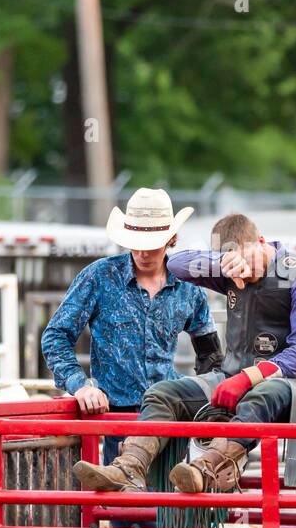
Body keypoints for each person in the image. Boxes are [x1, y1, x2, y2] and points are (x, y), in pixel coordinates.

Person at [72, 212, 296, 498]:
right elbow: (178, 263)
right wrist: (224, 263)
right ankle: (128, 467)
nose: (242, 277)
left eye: (246, 266)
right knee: (162, 394)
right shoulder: (228, 272)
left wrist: (249, 377)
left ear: (261, 242)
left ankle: (205, 469)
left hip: (291, 384)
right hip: (234, 376)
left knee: (264, 394)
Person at [41, 188, 222, 464]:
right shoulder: (99, 276)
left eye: (151, 244)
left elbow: (210, 355)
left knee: (165, 503)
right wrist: (81, 386)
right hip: (115, 417)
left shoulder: (189, 288)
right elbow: (55, 336)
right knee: (123, 500)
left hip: (169, 415)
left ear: (171, 239)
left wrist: (204, 403)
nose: (142, 252)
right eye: (135, 243)